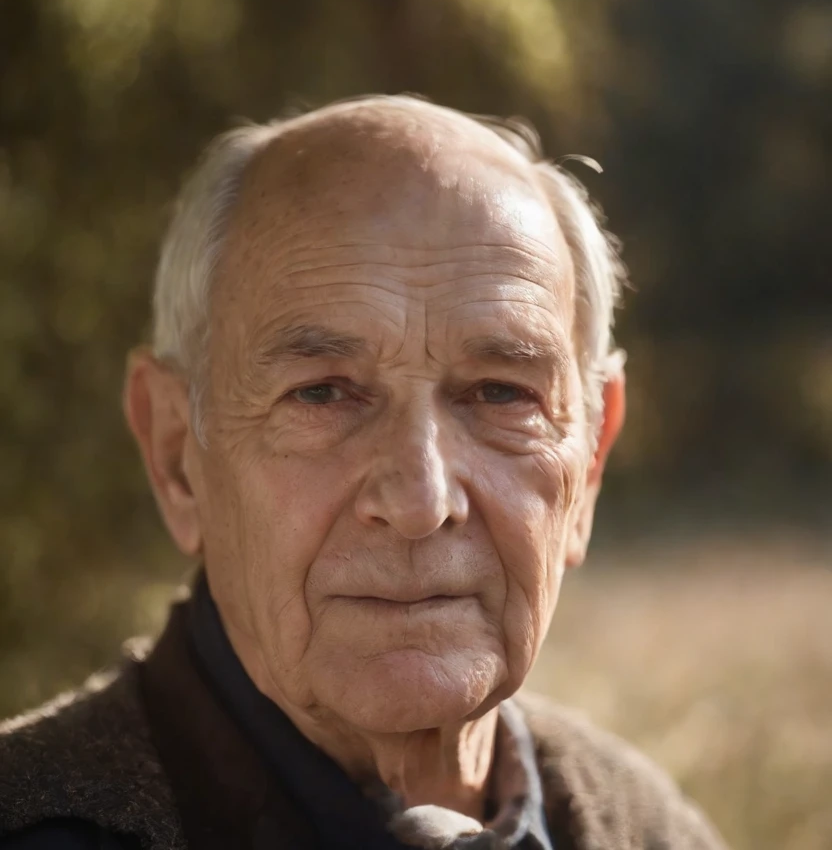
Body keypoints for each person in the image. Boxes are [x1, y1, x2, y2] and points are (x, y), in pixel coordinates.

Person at [0, 96, 727, 850]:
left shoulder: (650, 828)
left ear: (592, 462)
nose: (420, 500)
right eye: (322, 393)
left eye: (500, 393)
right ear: (177, 457)